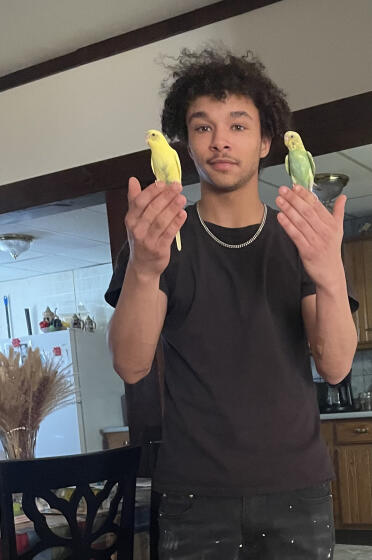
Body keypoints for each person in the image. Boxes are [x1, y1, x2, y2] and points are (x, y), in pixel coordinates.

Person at [105, 47, 358, 559]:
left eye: (238, 125)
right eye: (203, 127)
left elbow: (334, 367)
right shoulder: (160, 239)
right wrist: (144, 267)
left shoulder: (299, 237)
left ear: (266, 141)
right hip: (193, 496)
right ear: (186, 144)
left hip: (296, 489)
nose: (220, 140)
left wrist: (330, 276)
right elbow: (131, 365)